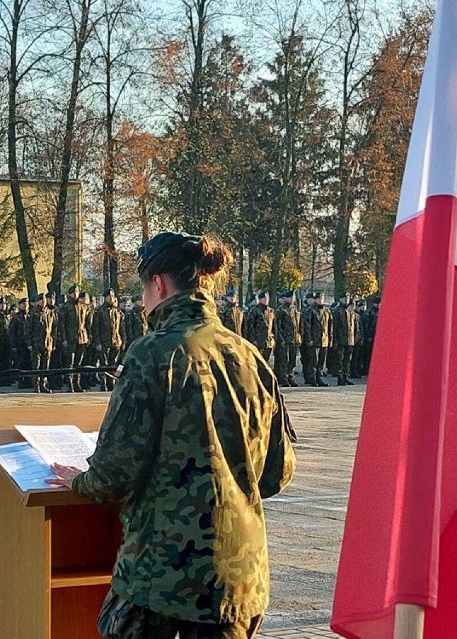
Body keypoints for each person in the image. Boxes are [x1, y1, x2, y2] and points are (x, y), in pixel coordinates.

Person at [48, 231, 296, 639]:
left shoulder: (152, 353)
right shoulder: (249, 356)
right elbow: (277, 473)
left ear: (158, 284)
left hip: (160, 576)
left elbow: (113, 473)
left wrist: (79, 480)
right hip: (239, 578)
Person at [91, 288, 123, 391]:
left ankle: (111, 383)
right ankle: (103, 384)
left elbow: (121, 327)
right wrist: (98, 342)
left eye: (112, 296)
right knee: (103, 363)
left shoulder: (117, 310)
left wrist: (122, 340)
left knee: (112, 363)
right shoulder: (100, 311)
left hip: (115, 341)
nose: (111, 298)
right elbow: (95, 327)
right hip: (103, 341)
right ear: (105, 298)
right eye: (109, 296)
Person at [60, 284, 89, 393]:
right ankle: (70, 384)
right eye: (73, 293)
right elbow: (62, 324)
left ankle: (77, 384)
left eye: (77, 293)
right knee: (70, 363)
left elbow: (86, 323)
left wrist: (87, 336)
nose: (75, 295)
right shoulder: (65, 307)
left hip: (81, 338)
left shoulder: (82, 306)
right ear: (69, 294)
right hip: (70, 338)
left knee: (79, 363)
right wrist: (64, 339)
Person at [26, 292, 55, 393]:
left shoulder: (50, 312)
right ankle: (36, 385)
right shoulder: (32, 313)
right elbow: (28, 330)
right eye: (40, 301)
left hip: (47, 343)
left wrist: (53, 342)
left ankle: (44, 384)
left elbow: (54, 328)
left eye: (44, 300)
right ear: (37, 302)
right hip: (36, 343)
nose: (43, 302)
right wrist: (29, 343)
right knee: (36, 365)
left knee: (45, 366)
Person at [273, 290, 297, 387]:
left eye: (293, 297)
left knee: (292, 360)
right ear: (285, 298)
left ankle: (290, 376)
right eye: (290, 297)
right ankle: (283, 378)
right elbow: (277, 327)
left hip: (294, 339)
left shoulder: (294, 309)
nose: (292, 299)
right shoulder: (280, 310)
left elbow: (298, 324)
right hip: (284, 339)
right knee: (284, 360)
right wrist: (280, 339)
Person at [245, 291, 275, 361]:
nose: (266, 299)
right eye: (264, 298)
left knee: (266, 361)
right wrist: (253, 340)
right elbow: (250, 326)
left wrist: (273, 339)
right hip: (258, 340)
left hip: (269, 341)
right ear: (260, 299)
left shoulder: (270, 311)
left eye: (267, 298)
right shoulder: (255, 310)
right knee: (259, 361)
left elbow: (273, 326)